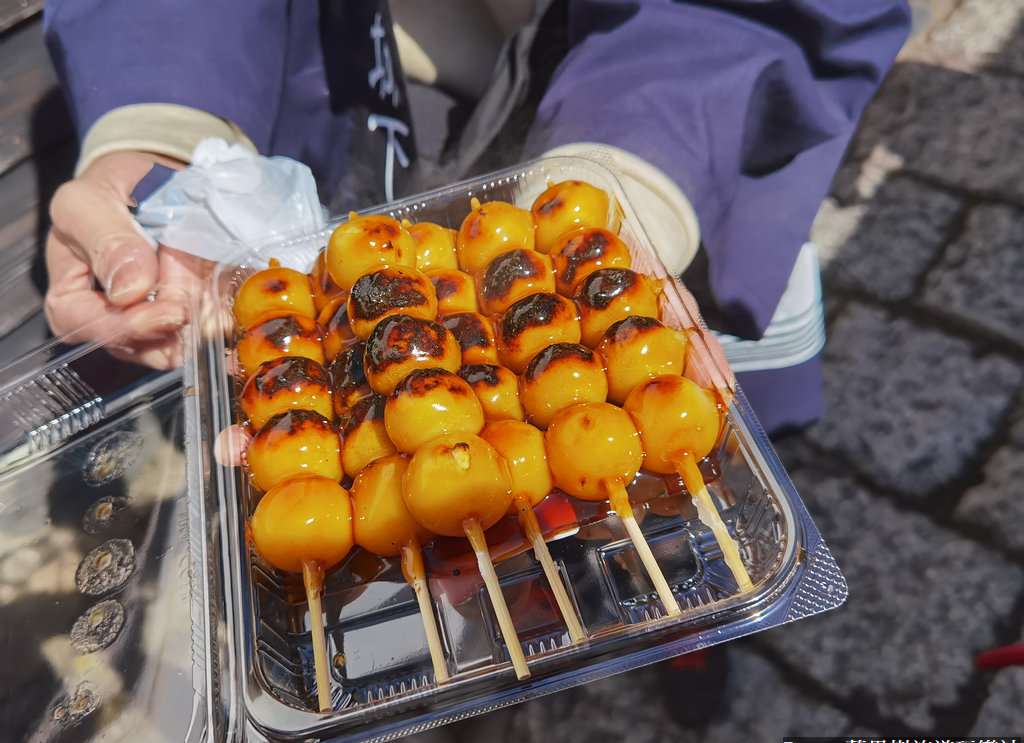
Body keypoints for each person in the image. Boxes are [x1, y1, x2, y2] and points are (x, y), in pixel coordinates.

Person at [41, 0, 911, 437]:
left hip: (684, 123)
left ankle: (691, 637)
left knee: (681, 426)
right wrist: (169, 132)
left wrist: (633, 187)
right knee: (361, 409)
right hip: (339, 94)